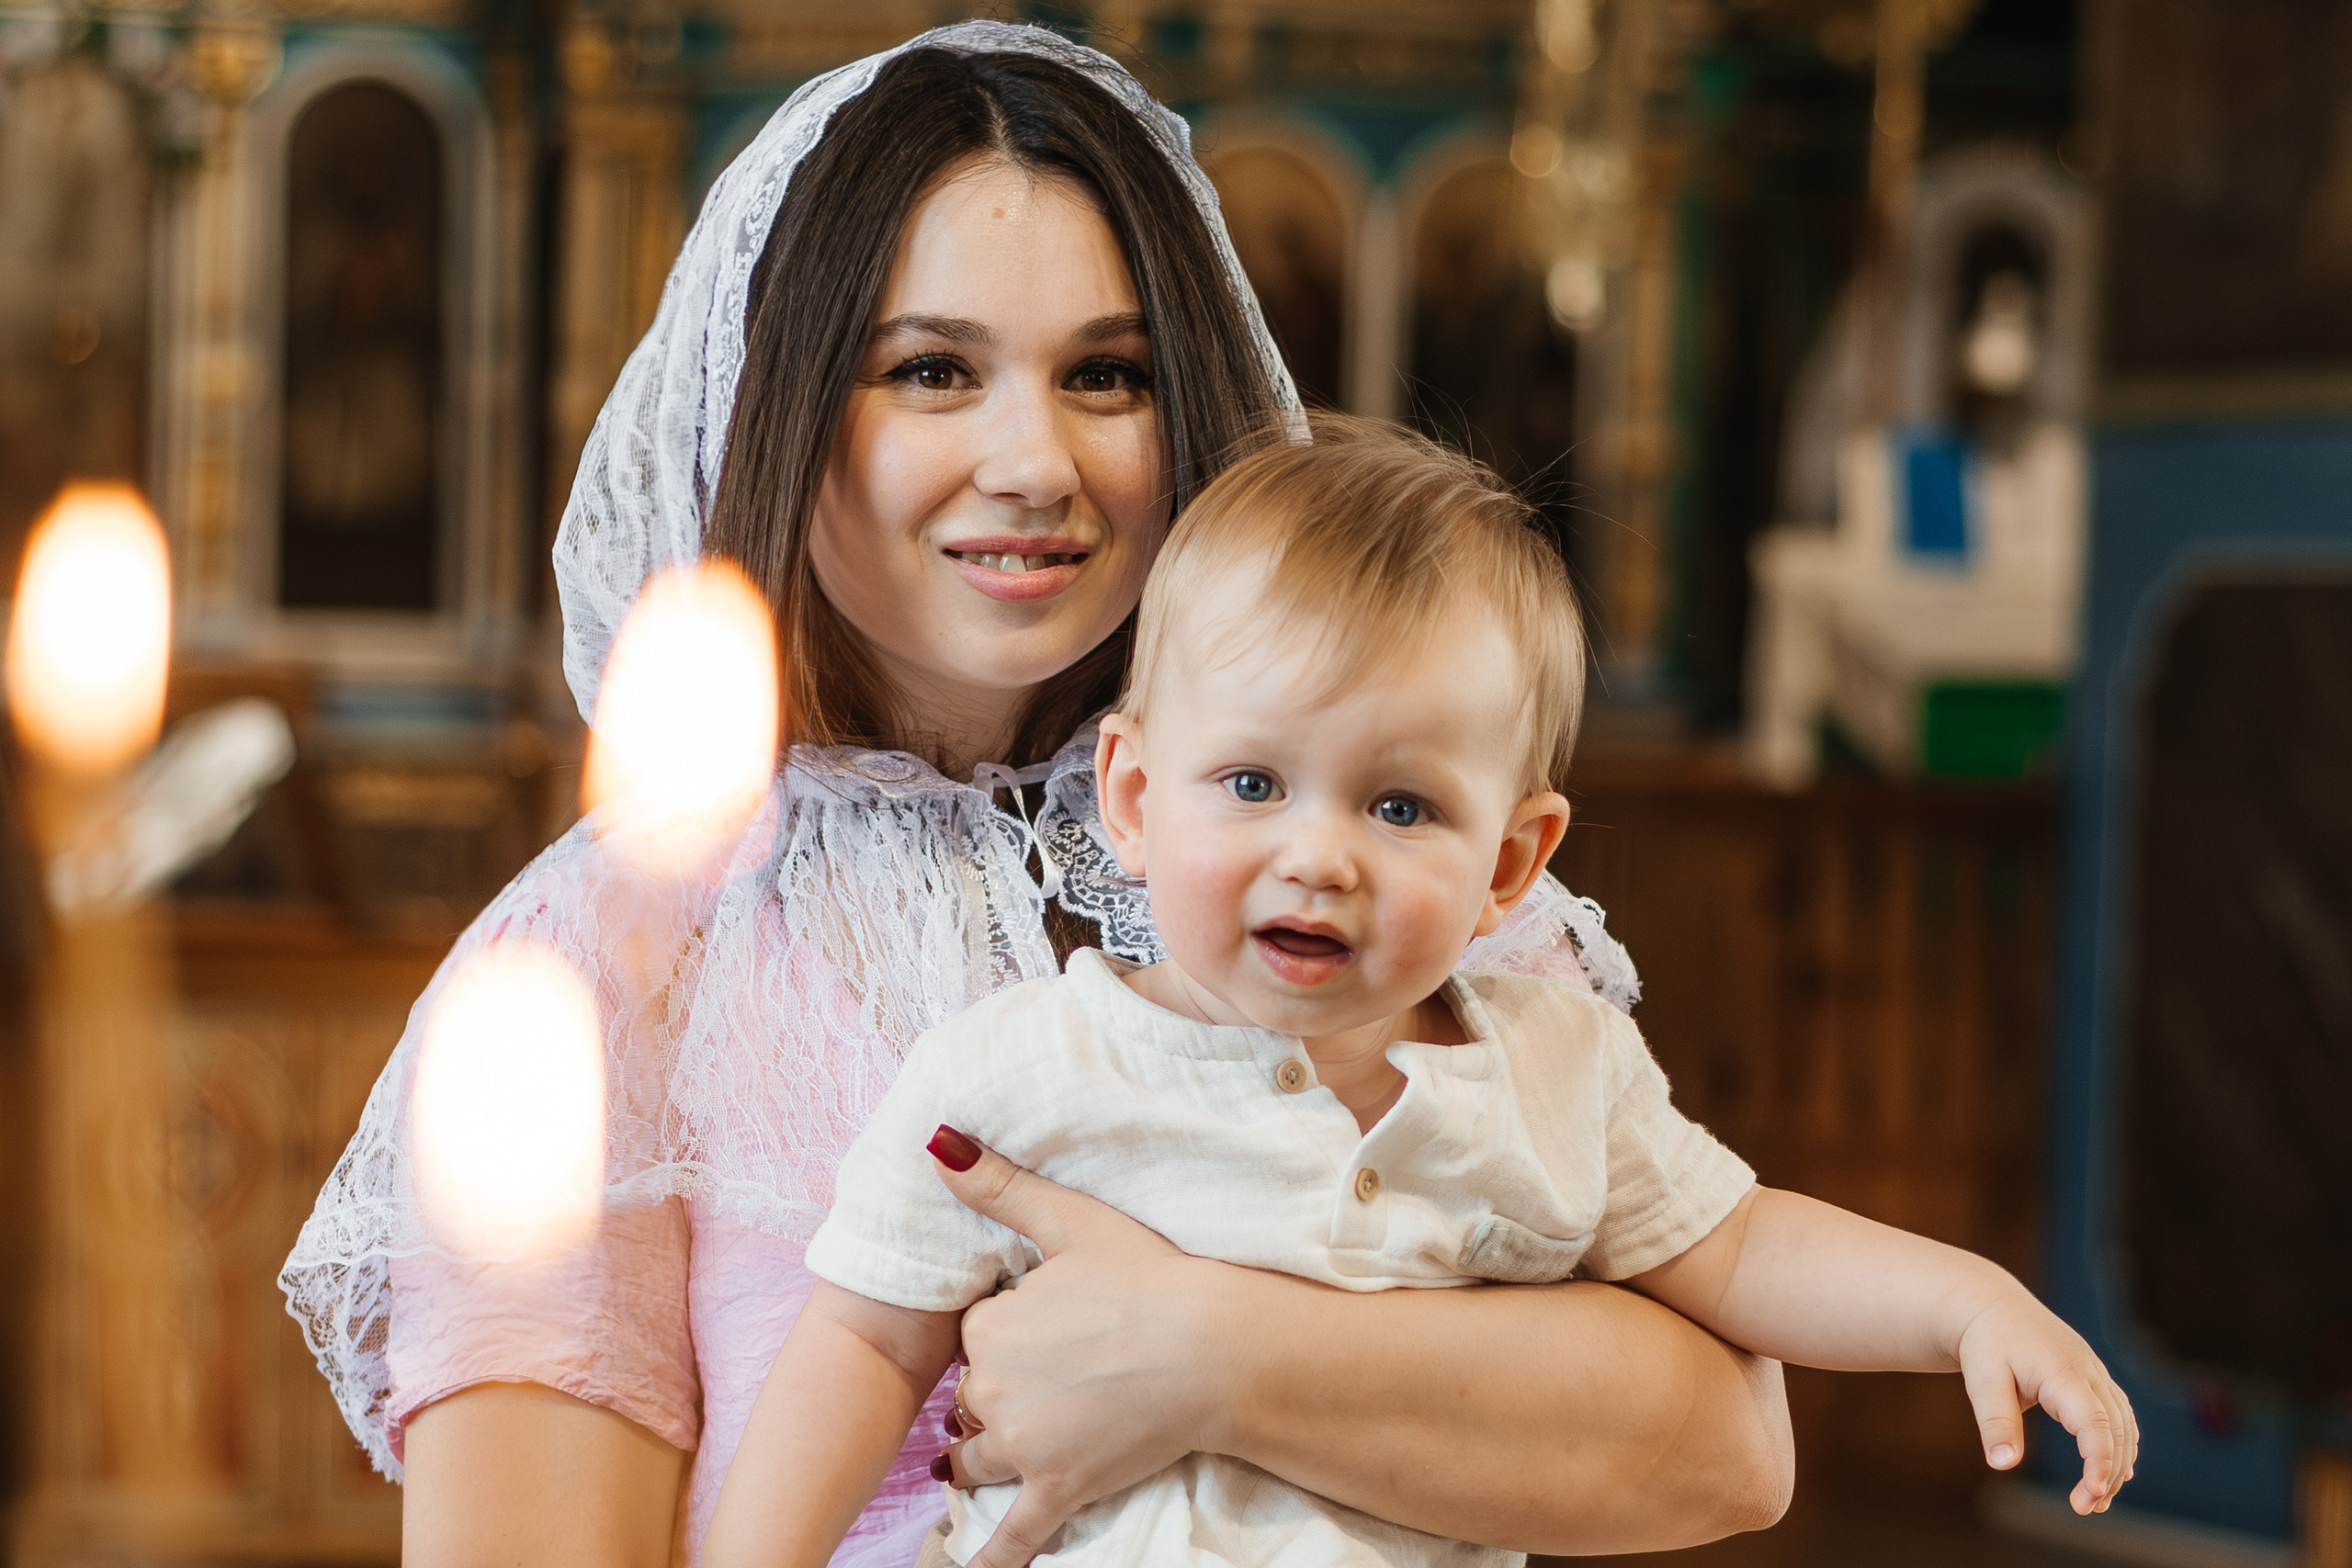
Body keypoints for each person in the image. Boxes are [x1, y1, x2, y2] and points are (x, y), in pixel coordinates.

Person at [279, 25, 1794, 1568]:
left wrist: (1214, 1356)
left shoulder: (1352, 863)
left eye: (1107, 376)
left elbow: (1725, 1448)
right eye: (931, 370)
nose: (1035, 461)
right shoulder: (607, 963)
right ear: (781, 404)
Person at [705, 424, 2140, 1568]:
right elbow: (860, 1344)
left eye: (1400, 806)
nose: (1318, 857)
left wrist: (1967, 1305)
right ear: (1135, 797)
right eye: (1253, 784)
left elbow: (1745, 1249)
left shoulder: (1556, 1071)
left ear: (1513, 860)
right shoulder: (1022, 1070)